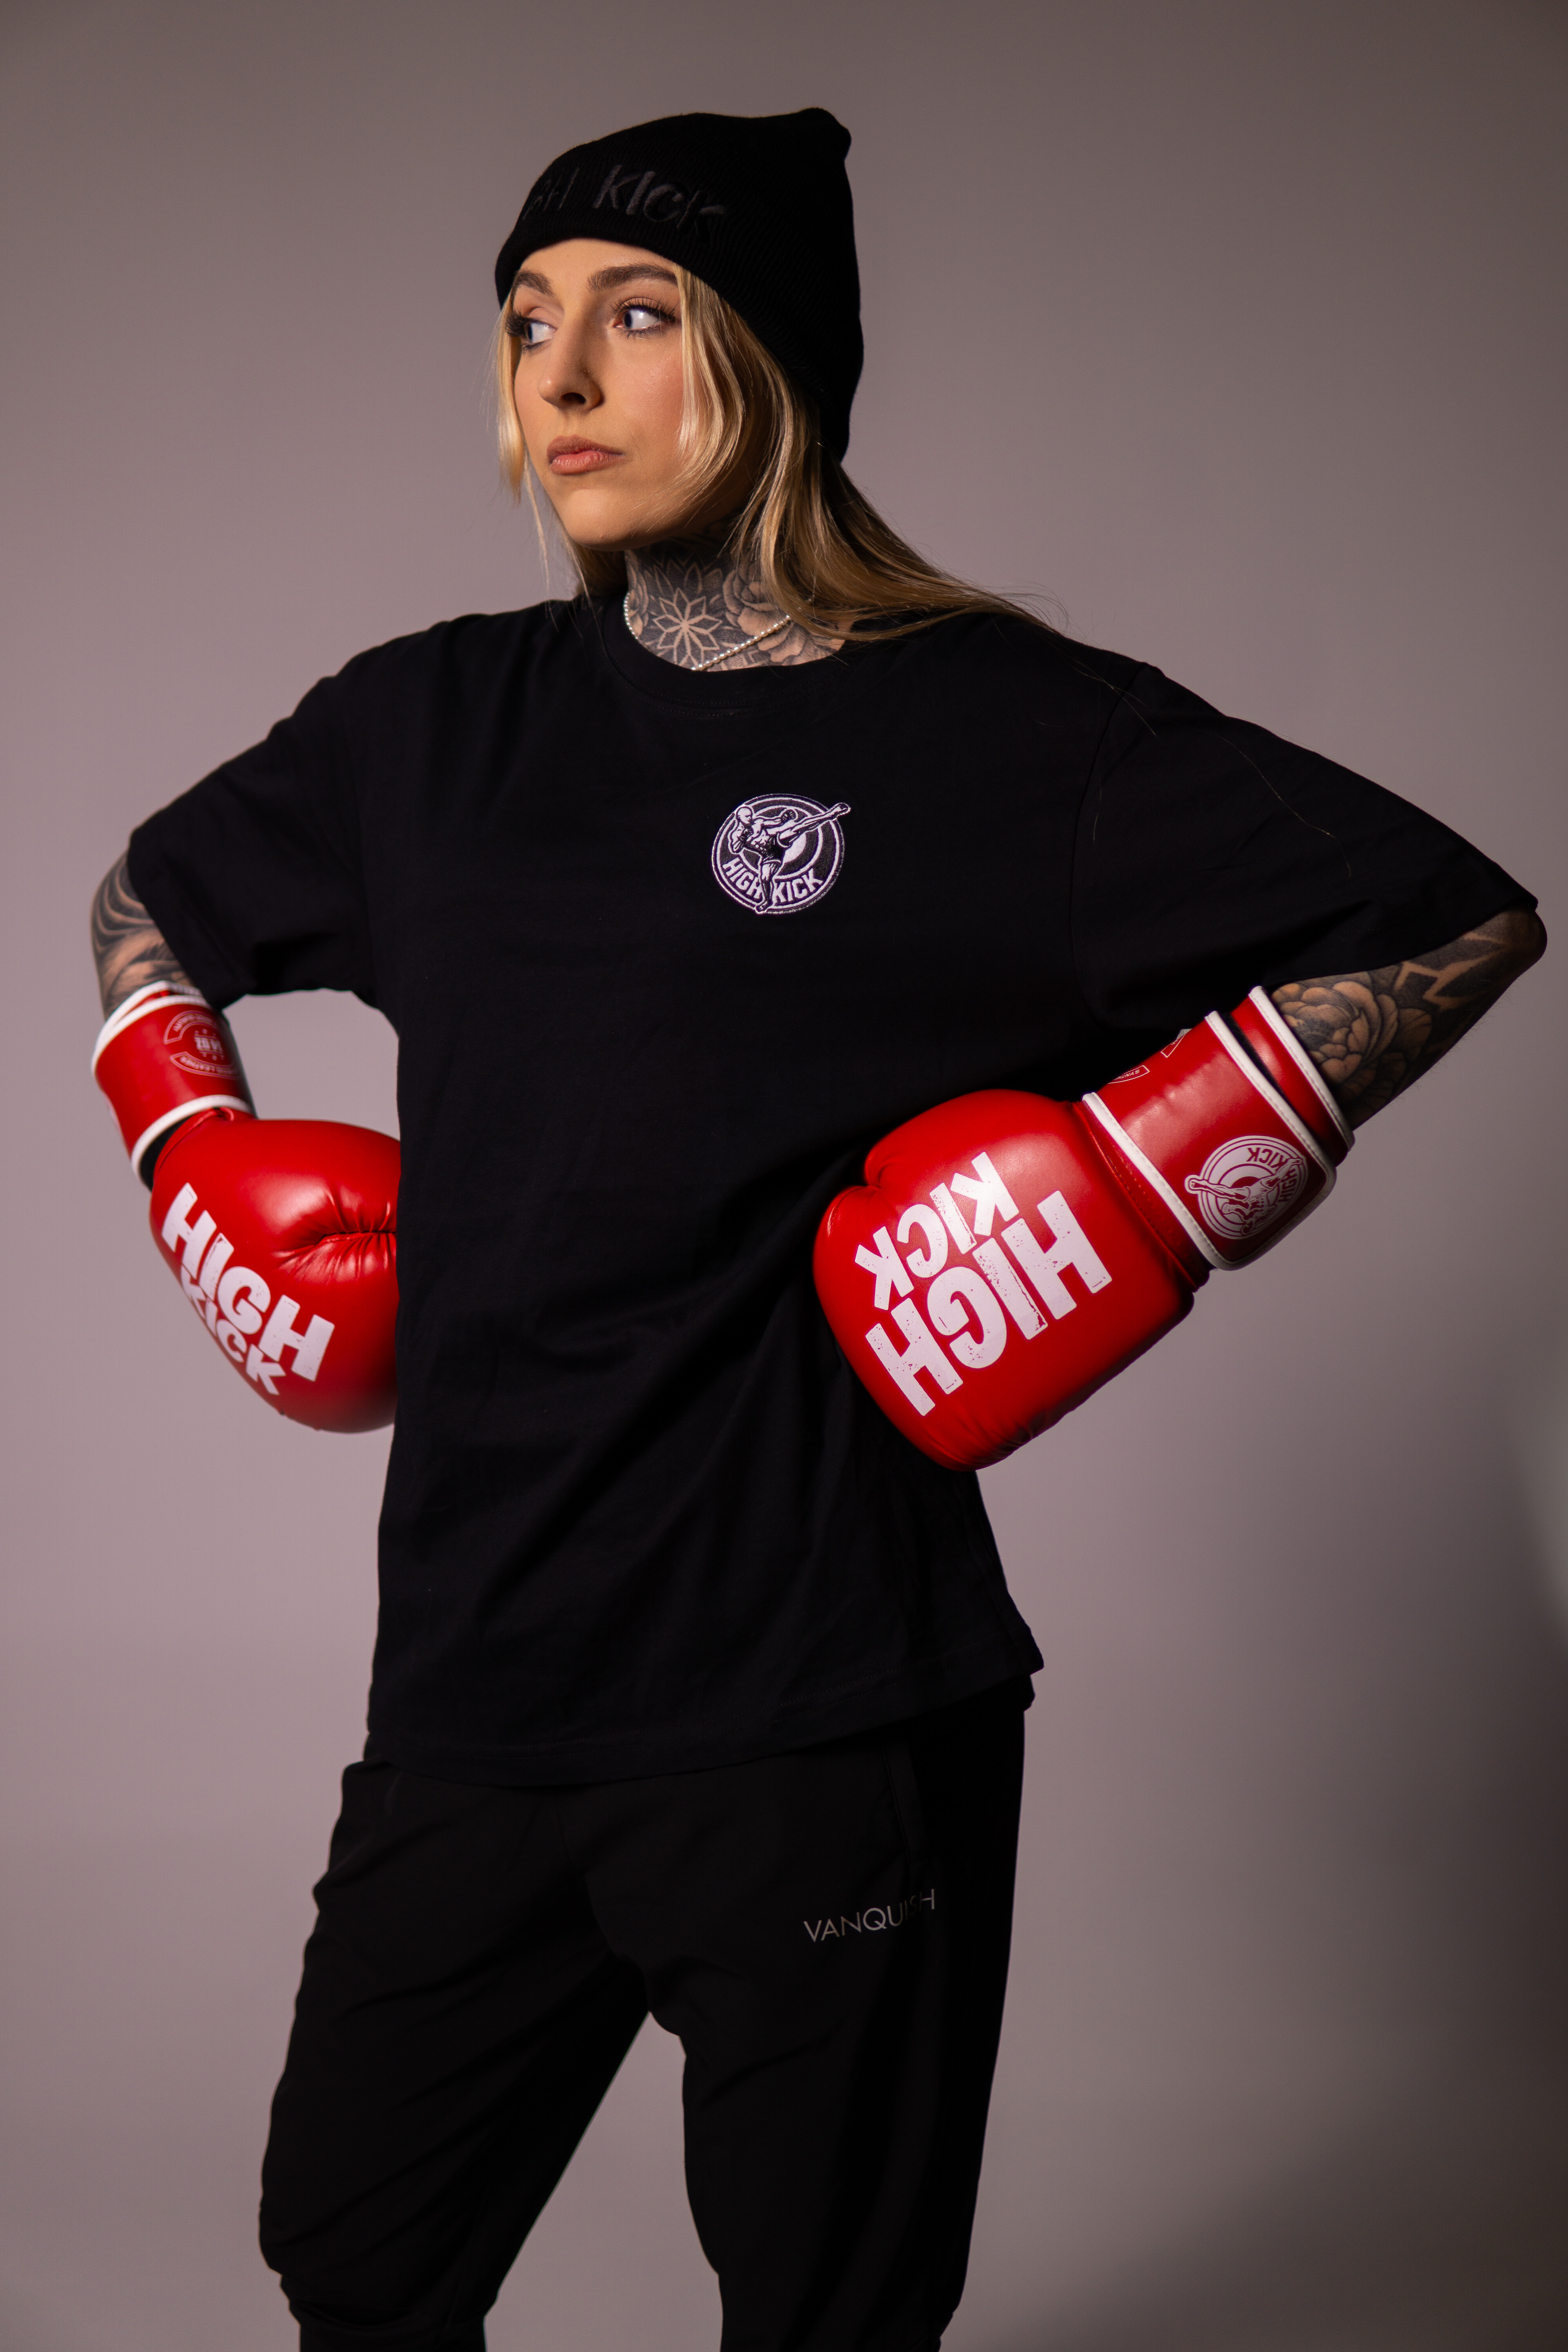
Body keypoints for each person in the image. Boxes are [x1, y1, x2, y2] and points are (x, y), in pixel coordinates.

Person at [89, 106, 1544, 2352]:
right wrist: (186, 1147)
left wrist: (1161, 1172)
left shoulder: (1008, 735)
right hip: (476, 1679)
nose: (562, 378)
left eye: (638, 314)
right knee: (353, 2259)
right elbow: (154, 896)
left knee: (831, 2316)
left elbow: (1450, 915)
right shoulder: (427, 730)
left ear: (770, 356)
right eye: (527, 322)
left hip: (825, 1703)